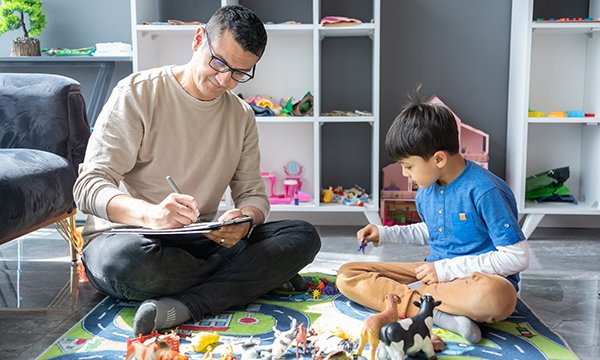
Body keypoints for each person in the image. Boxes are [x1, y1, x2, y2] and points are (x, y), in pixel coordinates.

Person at [73, 5, 321, 336]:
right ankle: (256, 276)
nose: (224, 80)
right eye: (218, 63)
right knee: (126, 265)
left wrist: (244, 218)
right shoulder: (138, 93)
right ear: (198, 39)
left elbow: (253, 195)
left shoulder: (241, 116)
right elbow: (88, 187)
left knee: (302, 236)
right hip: (130, 240)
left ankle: (186, 305)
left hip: (200, 238)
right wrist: (152, 215)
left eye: (239, 73)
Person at [336, 90, 529, 344]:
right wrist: (384, 233)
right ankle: (441, 315)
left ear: (438, 158)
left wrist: (444, 270)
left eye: (409, 166)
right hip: (432, 278)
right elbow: (433, 230)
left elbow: (517, 257)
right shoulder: (426, 191)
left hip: (472, 283)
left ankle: (418, 303)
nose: (405, 174)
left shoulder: (485, 190)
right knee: (348, 274)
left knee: (497, 296)